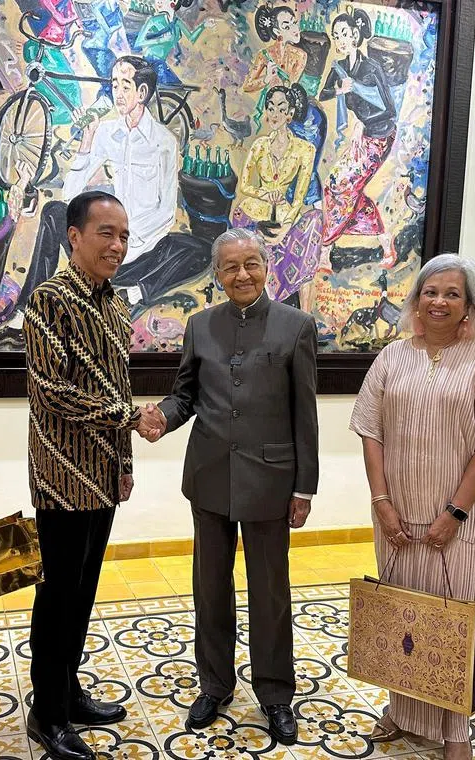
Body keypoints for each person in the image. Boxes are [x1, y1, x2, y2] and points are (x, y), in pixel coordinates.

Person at [139, 228, 318, 746]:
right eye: (230, 267)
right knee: (209, 590)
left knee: (270, 593)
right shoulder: (200, 325)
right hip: (210, 476)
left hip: (272, 479)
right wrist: (161, 419)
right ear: (217, 275)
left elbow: (304, 414)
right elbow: (184, 395)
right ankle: (215, 685)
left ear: (266, 267)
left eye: (251, 264)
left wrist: (304, 487)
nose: (241, 275)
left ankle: (276, 695)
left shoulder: (297, 326)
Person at [348, 254, 475, 760]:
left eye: (452, 294)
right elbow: (370, 431)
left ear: (469, 305)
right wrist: (382, 502)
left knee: (451, 617)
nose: (439, 302)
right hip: (397, 516)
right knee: (399, 611)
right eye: (431, 292)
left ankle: (455, 730)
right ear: (416, 300)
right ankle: (401, 712)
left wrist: (455, 513)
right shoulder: (392, 358)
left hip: (458, 519)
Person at [22, 191, 163, 760]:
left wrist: (123, 462)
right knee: (57, 596)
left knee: (82, 593)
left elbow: (118, 385)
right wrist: (130, 419)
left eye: (124, 235)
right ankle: (46, 713)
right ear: (74, 236)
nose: (117, 245)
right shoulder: (50, 300)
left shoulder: (114, 302)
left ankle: (69, 689)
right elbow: (53, 393)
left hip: (102, 474)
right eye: (105, 233)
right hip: (61, 475)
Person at [4, 55, 211, 337]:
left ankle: (134, 293)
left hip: (140, 250)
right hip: (104, 248)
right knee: (53, 211)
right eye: (114, 84)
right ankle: (28, 308)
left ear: (142, 92)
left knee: (199, 251)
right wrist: (86, 142)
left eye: (125, 86)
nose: (118, 93)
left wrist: (126, 240)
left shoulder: (163, 142)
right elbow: (70, 193)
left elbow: (165, 214)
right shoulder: (106, 132)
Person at [231, 84, 323, 310]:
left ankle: (303, 315)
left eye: (281, 109)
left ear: (290, 114)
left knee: (315, 220)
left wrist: (286, 227)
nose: (274, 114)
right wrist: (264, 192)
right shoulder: (260, 145)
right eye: (270, 108)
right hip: (255, 212)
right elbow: (244, 185)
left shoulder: (305, 150)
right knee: (241, 222)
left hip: (284, 215)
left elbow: (300, 195)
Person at [318, 8, 398, 250]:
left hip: (380, 134)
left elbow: (389, 110)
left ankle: (325, 248)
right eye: (335, 36)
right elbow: (323, 94)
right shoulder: (340, 67)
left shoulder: (371, 68)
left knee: (343, 185)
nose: (340, 41)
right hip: (363, 135)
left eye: (344, 34)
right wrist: (339, 89)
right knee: (336, 184)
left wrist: (361, 120)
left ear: (355, 35)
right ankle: (384, 240)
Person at [243, 3, 325, 206]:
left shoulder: (300, 55)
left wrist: (277, 79)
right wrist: (266, 78)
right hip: (283, 114)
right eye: (287, 26)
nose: (295, 29)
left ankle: (312, 205)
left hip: (305, 116)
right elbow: (247, 85)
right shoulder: (264, 56)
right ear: (277, 31)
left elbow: (290, 88)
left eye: (294, 23)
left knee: (306, 163)